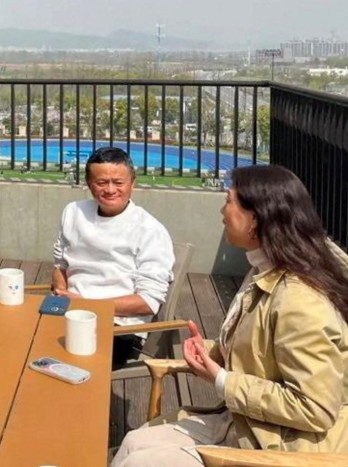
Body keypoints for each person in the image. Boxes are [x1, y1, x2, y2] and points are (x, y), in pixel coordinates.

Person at [113, 165, 348, 466]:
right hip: (245, 423)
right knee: (135, 441)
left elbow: (314, 408)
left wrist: (222, 379)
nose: (222, 212)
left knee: (141, 462)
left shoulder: (300, 301)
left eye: (228, 201)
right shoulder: (264, 269)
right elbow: (268, 355)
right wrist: (213, 352)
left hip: (282, 447)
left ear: (256, 219)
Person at [52, 147, 174, 368]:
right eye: (101, 183)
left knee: (56, 357)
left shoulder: (149, 230)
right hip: (68, 312)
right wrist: (61, 292)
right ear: (89, 184)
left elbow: (148, 302)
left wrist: (88, 305)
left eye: (118, 182)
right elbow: (60, 264)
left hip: (119, 326)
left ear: (132, 183)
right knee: (19, 339)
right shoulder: (73, 212)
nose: (110, 190)